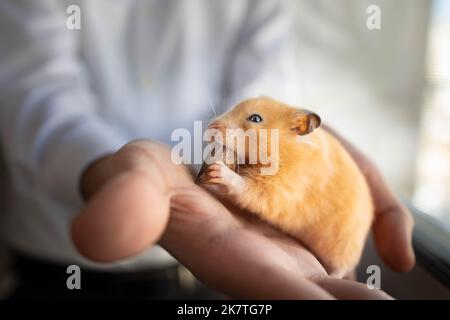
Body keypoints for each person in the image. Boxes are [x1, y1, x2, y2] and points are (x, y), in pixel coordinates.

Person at [0, 0, 414, 299]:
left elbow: (263, 86)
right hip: (58, 262)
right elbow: (35, 89)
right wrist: (103, 169)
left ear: (302, 128)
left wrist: (238, 177)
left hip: (201, 277)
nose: (224, 124)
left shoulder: (295, 151)